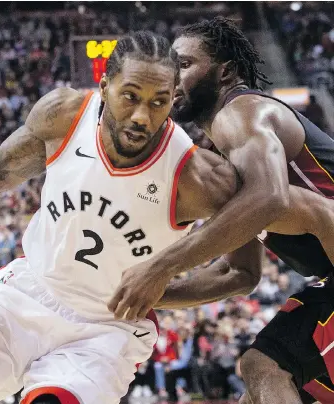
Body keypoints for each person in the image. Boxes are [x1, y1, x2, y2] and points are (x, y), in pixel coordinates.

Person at [0, 31, 248, 404]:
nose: (141, 117)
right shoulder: (65, 115)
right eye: (130, 97)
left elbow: (240, 273)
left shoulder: (198, 178)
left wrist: (160, 290)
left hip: (105, 330)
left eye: (158, 102)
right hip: (27, 293)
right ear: (104, 86)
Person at [108, 18, 333, 404]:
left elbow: (272, 199)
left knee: (265, 367)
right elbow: (238, 274)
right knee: (261, 386)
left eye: (183, 65)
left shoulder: (242, 112)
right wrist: (137, 295)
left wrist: (159, 267)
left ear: (224, 70)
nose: (171, 79)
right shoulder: (220, 159)